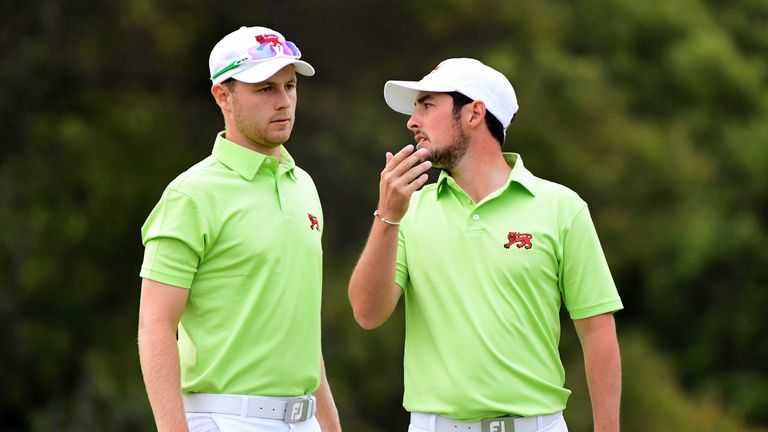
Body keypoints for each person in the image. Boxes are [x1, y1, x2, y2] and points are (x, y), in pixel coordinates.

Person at [348, 58, 623, 432]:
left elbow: (597, 330)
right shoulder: (409, 212)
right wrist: (388, 216)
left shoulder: (562, 208)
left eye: (427, 105)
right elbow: (367, 313)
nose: (412, 121)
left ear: (475, 112)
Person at [138, 26, 341, 432]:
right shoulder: (191, 195)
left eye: (290, 86)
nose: (284, 102)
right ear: (223, 95)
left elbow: (299, 328)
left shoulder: (303, 185)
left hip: (304, 420)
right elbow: (155, 325)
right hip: (225, 418)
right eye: (265, 89)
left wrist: (330, 424)